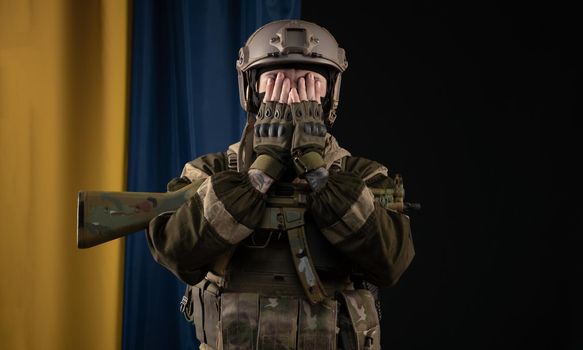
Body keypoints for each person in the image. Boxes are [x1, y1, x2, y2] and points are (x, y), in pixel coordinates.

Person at [146, 19, 415, 350]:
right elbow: (175, 250)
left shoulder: (368, 175)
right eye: (274, 79)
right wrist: (261, 171)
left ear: (330, 92)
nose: (290, 95)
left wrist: (318, 172)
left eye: (306, 81)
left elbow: (392, 261)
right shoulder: (210, 170)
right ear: (252, 91)